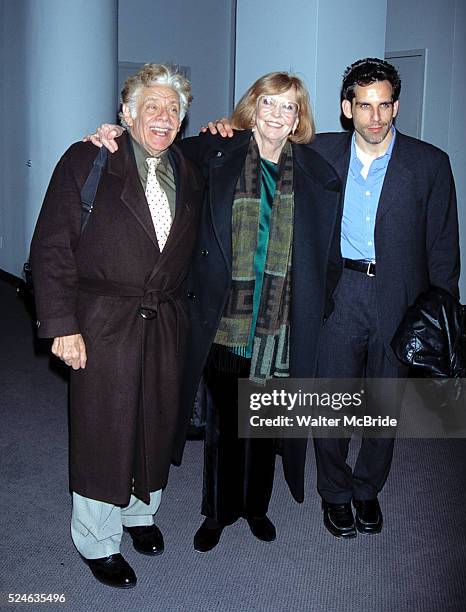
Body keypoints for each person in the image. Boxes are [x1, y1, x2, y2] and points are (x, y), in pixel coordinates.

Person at [203, 57, 460, 539]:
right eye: (365, 106)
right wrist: (226, 129)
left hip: (400, 299)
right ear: (348, 109)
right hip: (339, 292)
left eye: (385, 106)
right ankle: (336, 493)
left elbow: (444, 247)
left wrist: (442, 313)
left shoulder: (430, 164)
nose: (376, 117)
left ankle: (368, 490)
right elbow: (260, 144)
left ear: (396, 106)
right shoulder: (318, 153)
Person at [88, 71, 343, 551]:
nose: (276, 113)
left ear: (298, 118)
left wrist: (314, 304)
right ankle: (220, 512)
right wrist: (114, 134)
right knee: (226, 421)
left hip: (280, 323)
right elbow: (157, 152)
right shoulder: (214, 152)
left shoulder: (316, 174)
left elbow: (328, 255)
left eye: (288, 106)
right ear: (253, 107)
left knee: (267, 423)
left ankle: (256, 507)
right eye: (268, 102)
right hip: (226, 316)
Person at [30, 64, 203, 588]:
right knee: (103, 429)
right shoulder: (89, 159)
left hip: (166, 321)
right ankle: (98, 539)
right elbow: (52, 247)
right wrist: (62, 325)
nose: (163, 116)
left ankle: (139, 515)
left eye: (173, 109)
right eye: (151, 105)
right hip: (104, 321)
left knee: (155, 419)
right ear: (125, 114)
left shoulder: (189, 170)